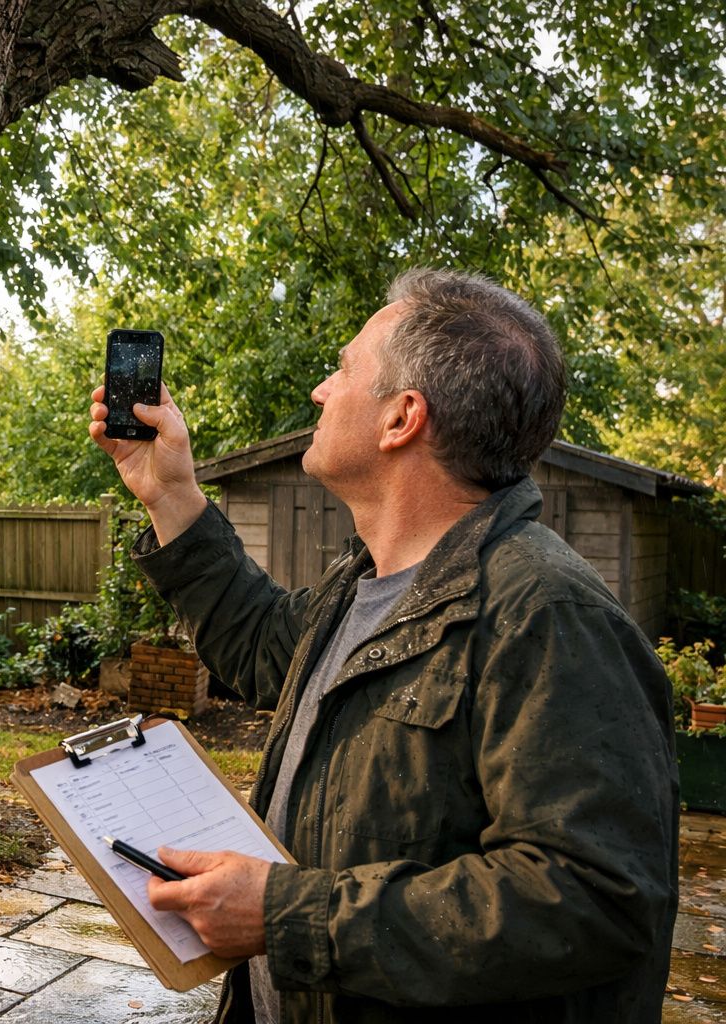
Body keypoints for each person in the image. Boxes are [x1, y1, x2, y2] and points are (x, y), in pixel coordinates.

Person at [88, 268, 678, 1024]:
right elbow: (263, 643)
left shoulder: (547, 614)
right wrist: (168, 492)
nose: (321, 392)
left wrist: (284, 914)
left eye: (342, 370)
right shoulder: (365, 586)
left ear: (402, 418)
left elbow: (595, 900)